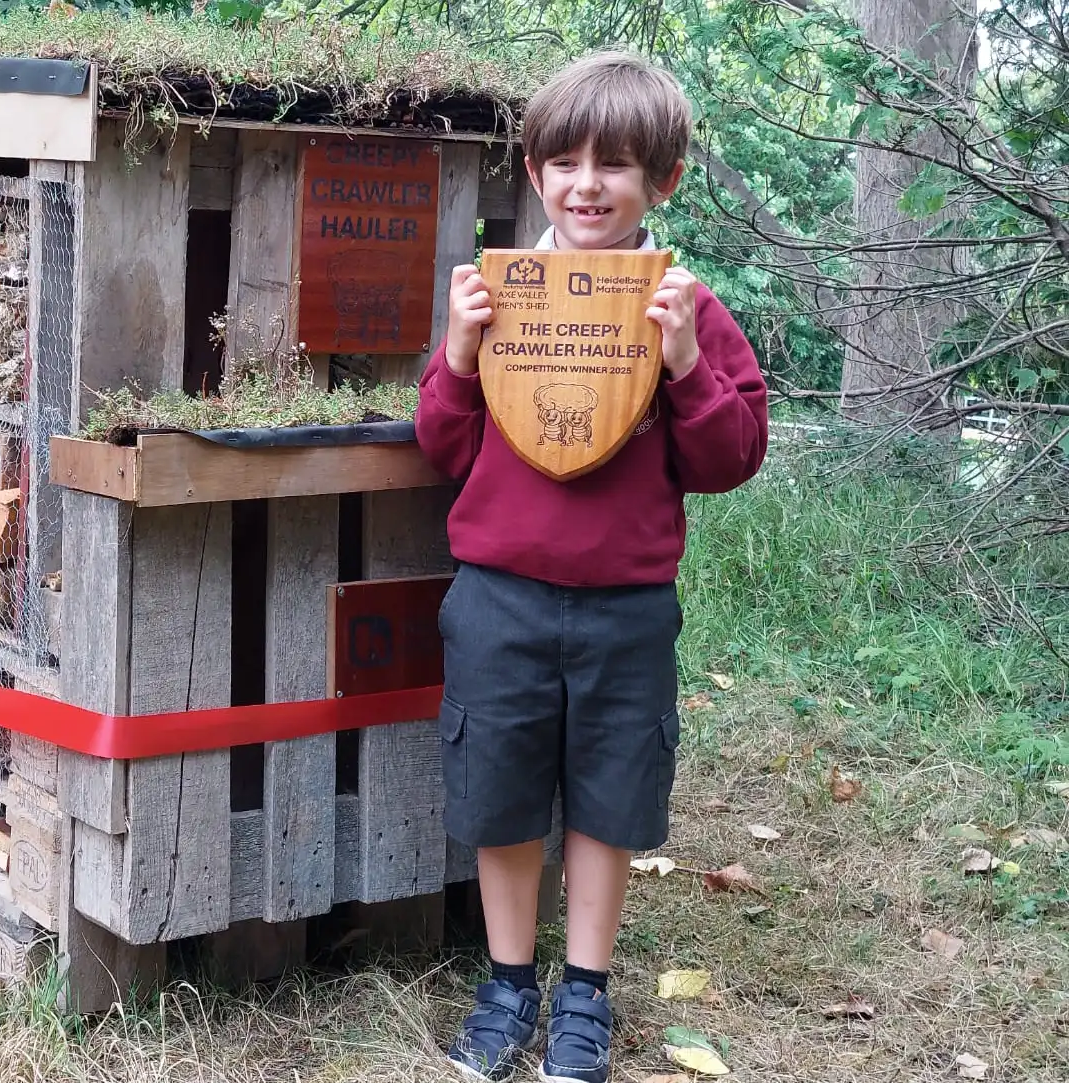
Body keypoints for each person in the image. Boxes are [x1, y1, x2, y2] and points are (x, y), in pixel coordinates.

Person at [415, 51, 769, 1082]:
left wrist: (688, 372)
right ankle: (507, 983)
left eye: (615, 164)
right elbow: (441, 447)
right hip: (498, 599)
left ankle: (584, 993)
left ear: (662, 180)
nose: (585, 184)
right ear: (532, 174)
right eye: (563, 161)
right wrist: (458, 353)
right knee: (500, 792)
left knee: (608, 799)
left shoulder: (684, 308)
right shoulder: (496, 295)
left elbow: (731, 459)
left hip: (625, 608)